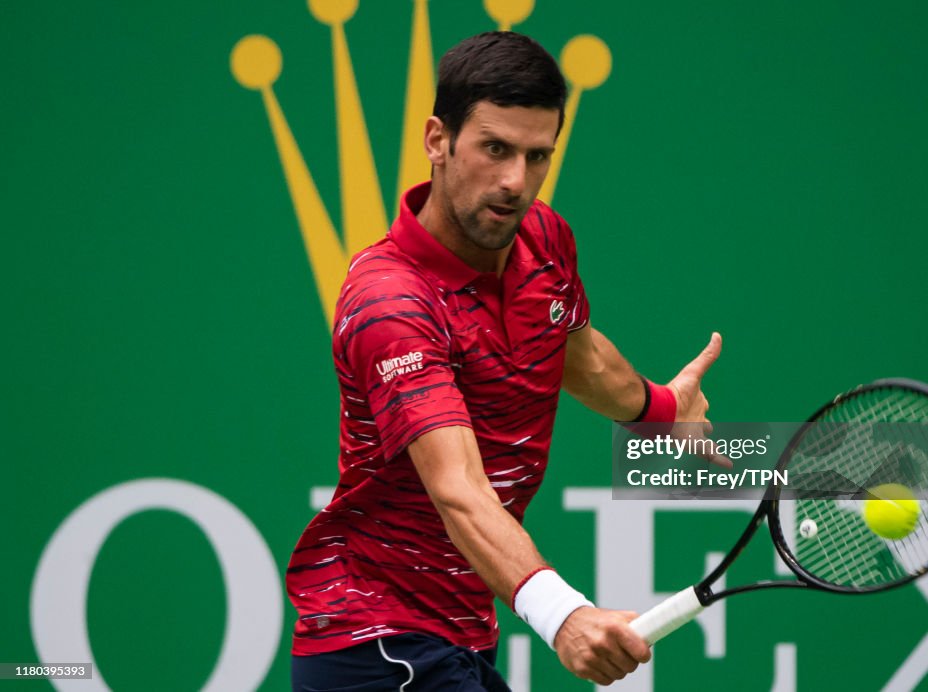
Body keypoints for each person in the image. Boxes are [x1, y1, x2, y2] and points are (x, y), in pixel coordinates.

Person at [287, 31, 722, 690]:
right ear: (438, 140)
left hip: (453, 637)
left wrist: (662, 409)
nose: (515, 181)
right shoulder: (391, 300)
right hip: (376, 645)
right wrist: (565, 616)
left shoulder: (545, 241)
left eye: (536, 156)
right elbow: (458, 489)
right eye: (495, 149)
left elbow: (577, 355)